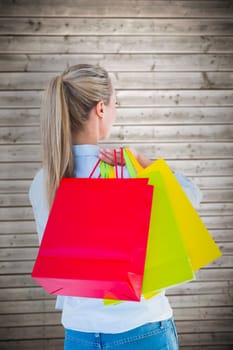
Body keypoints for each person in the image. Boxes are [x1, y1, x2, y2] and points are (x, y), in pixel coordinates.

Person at [29, 64, 202, 350]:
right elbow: (191, 196)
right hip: (143, 329)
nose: (114, 111)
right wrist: (145, 164)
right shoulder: (128, 172)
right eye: (114, 104)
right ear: (100, 109)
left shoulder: (43, 182)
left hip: (79, 335)